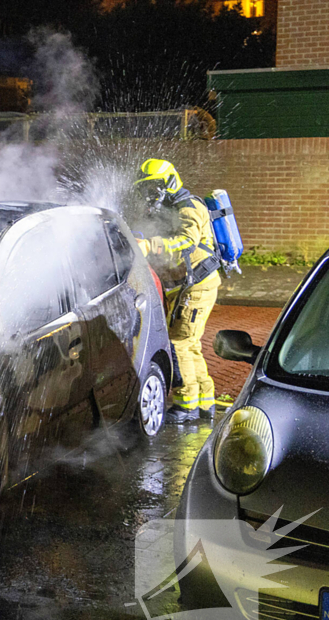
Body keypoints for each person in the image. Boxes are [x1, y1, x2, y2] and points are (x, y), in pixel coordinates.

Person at [133, 159, 221, 424]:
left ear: (169, 181)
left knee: (179, 343)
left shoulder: (189, 208)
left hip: (197, 286)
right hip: (191, 285)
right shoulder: (171, 208)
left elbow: (187, 241)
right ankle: (206, 403)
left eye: (155, 186)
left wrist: (150, 245)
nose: (152, 192)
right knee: (191, 344)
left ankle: (186, 406)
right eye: (147, 188)